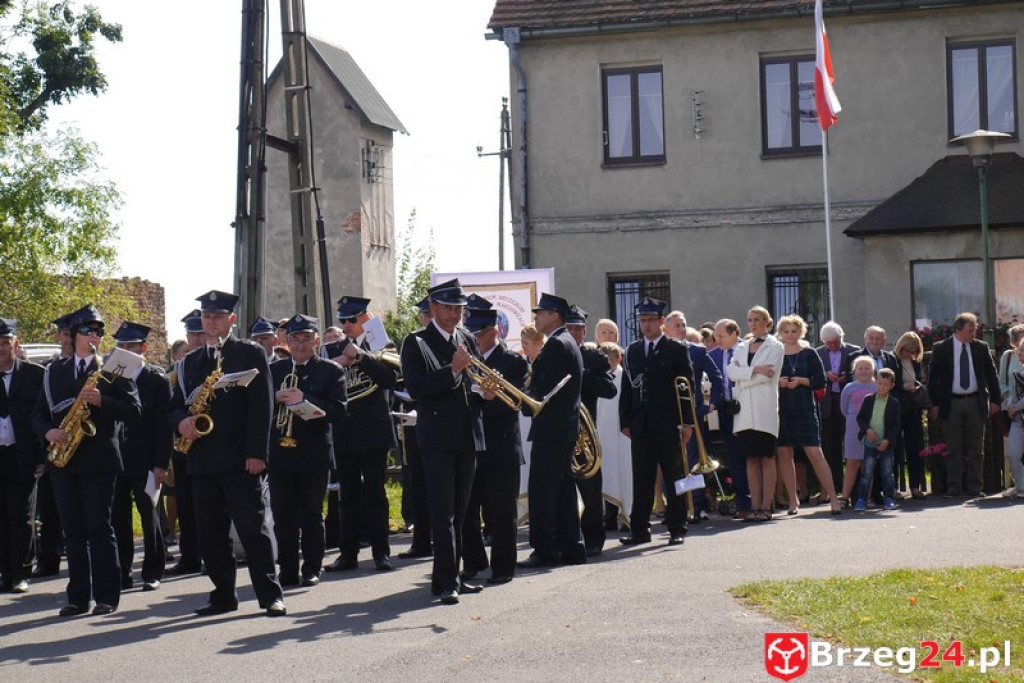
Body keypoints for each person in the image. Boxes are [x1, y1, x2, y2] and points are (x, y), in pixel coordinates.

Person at [169, 290, 285, 617]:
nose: (211, 322)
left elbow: (262, 406)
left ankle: (270, 595)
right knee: (211, 534)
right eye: (207, 317)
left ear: (231, 319)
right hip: (202, 459)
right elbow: (173, 406)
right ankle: (222, 595)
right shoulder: (189, 362)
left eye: (218, 317)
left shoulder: (249, 353)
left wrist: (257, 453)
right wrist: (181, 422)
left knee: (253, 530)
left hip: (240, 459)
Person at [33, 304, 142, 616]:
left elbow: (134, 410)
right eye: (87, 331)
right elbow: (38, 414)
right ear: (73, 335)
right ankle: (77, 597)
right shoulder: (54, 371)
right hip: (64, 460)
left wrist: (102, 400)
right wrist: (48, 431)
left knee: (99, 527)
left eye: (98, 331)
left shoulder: (113, 368)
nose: (94, 336)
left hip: (100, 461)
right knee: (73, 531)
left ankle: (107, 596)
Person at [401, 279, 487, 604]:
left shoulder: (467, 338)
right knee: (443, 513)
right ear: (434, 308)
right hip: (437, 437)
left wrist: (485, 393)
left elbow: (474, 384)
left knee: (461, 513)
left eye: (459, 309)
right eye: (449, 308)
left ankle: (449, 579)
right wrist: (451, 371)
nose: (455, 315)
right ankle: (448, 581)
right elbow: (415, 388)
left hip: (467, 434)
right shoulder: (417, 342)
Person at [268, 314, 346, 588]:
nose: (300, 344)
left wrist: (305, 399)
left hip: (314, 452)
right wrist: (274, 399)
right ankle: (287, 569)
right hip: (280, 451)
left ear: (316, 340)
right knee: (283, 515)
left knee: (311, 513)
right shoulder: (274, 371)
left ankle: (312, 567)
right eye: (295, 339)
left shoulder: (331, 370)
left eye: (306, 339)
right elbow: (256, 409)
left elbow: (339, 411)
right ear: (286, 341)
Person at [323, 295, 398, 572]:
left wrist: (361, 357)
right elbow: (324, 380)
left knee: (375, 493)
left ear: (365, 318)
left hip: (374, 428)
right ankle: (348, 553)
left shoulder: (381, 345)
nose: (346, 325)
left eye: (351, 319)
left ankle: (381, 552)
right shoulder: (333, 347)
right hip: (345, 430)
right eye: (342, 320)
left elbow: (390, 379)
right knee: (348, 495)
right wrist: (340, 360)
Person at [518, 293, 586, 568]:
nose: (536, 317)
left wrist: (522, 397)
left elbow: (543, 388)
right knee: (563, 491)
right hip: (561, 428)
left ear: (554, 315)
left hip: (551, 428)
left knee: (542, 491)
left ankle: (545, 550)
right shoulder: (566, 341)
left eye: (540, 313)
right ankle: (572, 547)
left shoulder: (557, 344)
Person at [460, 305, 527, 585]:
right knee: (466, 510)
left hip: (501, 445)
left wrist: (487, 398)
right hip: (470, 444)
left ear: (494, 332)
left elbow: (516, 403)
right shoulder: (464, 361)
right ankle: (474, 562)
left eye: (478, 335)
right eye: (471, 335)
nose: (474, 340)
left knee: (501, 512)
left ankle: (503, 566)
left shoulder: (513, 362)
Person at [619, 297, 694, 545]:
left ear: (661, 321)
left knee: (674, 476)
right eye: (642, 320)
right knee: (641, 478)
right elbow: (627, 388)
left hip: (668, 423)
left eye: (650, 320)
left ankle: (677, 527)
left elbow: (686, 387)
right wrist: (624, 420)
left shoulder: (676, 349)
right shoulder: (632, 350)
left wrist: (687, 423)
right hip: (641, 424)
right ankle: (639, 529)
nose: (646, 325)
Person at [111, 322, 170, 592]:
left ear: (143, 348)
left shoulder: (156, 379)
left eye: (131, 346)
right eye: (121, 346)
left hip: (146, 459)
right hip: (116, 459)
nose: (125, 351)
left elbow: (163, 426)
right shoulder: (111, 377)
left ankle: (152, 571)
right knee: (118, 517)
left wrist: (161, 464)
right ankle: (123, 571)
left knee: (150, 516)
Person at [926, 312, 1001, 498]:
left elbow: (992, 375)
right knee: (953, 448)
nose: (974, 333)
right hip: (951, 402)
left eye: (975, 329)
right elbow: (933, 378)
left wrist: (995, 401)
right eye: (970, 330)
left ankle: (975, 487)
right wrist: (933, 404)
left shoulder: (981, 347)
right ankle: (954, 488)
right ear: (958, 330)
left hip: (975, 401)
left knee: (976, 447)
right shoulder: (941, 348)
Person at [775, 315, 841, 515]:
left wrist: (801, 381)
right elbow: (767, 379)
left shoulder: (809, 353)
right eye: (786, 331)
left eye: (794, 331)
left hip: (804, 409)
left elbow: (821, 381)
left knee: (815, 453)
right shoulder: (775, 353)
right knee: (784, 453)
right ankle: (792, 501)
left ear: (801, 332)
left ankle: (834, 498)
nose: (790, 335)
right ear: (781, 333)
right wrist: (778, 382)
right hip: (782, 409)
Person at [727, 306, 785, 523]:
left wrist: (745, 375)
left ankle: (766, 506)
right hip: (744, 410)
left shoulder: (775, 346)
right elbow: (731, 372)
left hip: (763, 408)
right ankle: (754, 505)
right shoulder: (741, 346)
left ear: (767, 322)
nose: (752, 324)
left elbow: (768, 375)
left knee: (766, 457)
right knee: (751, 458)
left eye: (757, 319)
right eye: (750, 320)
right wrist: (755, 370)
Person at [565, 305, 616, 555]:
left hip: (585, 434)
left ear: (585, 332)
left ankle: (594, 538)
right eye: (570, 329)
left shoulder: (594, 357)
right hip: (560, 430)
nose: (575, 333)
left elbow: (609, 389)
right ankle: (567, 538)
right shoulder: (554, 353)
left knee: (591, 489)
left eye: (579, 329)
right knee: (562, 490)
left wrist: (581, 374)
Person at [0, 319, 45, 594]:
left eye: (5, 342)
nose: (1, 348)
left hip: (23, 454)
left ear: (15, 344)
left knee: (21, 516)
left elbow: (43, 416)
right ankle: (4, 571)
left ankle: (20, 572)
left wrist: (42, 455)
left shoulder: (34, 374)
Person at [31, 314, 73, 580]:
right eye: (65, 334)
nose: (69, 340)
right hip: (52, 448)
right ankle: (49, 558)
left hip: (84, 449)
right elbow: (39, 412)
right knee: (48, 507)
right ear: (59, 336)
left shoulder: (94, 368)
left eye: (72, 334)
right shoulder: (47, 370)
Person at [165, 310, 204, 576]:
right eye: (193, 334)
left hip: (211, 444)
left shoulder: (219, 361)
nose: (197, 338)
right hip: (184, 443)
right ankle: (189, 557)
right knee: (187, 504)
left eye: (200, 333)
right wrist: (180, 422)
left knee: (211, 506)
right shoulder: (179, 368)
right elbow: (171, 405)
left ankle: (213, 556)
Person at [397, 295, 434, 559]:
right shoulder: (414, 341)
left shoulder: (457, 340)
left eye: (431, 314)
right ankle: (421, 539)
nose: (428, 319)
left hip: (440, 421)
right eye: (425, 315)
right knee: (418, 483)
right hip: (414, 421)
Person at [710, 319, 751, 519]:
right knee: (734, 458)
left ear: (734, 334)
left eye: (721, 336)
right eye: (715, 336)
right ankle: (743, 503)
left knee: (752, 456)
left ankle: (760, 502)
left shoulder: (748, 349)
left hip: (748, 408)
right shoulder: (713, 355)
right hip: (726, 410)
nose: (717, 340)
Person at [814, 321, 859, 495]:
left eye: (835, 342)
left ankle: (853, 487)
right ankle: (835, 486)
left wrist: (846, 377)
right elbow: (813, 376)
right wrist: (825, 375)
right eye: (829, 343)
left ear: (841, 337)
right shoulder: (818, 353)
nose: (832, 345)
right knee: (830, 446)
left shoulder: (854, 351)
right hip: (827, 403)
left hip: (848, 402)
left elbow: (861, 374)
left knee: (851, 444)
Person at [854, 368, 902, 511]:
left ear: (892, 386)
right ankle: (862, 499)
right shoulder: (868, 399)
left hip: (886, 444)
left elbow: (896, 425)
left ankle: (889, 499)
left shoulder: (894, 403)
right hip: (870, 443)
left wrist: (888, 440)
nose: (882, 387)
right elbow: (860, 418)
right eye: (879, 383)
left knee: (887, 472)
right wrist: (867, 430)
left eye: (885, 385)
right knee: (867, 472)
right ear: (875, 383)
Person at [596, 341, 632, 530]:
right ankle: (608, 516)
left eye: (610, 359)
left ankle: (627, 515)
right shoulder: (598, 379)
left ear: (619, 359)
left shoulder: (624, 378)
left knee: (623, 474)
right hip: (602, 435)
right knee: (606, 474)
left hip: (620, 435)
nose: (607, 363)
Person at [893, 331, 929, 499]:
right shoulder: (893, 360)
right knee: (895, 449)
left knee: (915, 448)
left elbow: (919, 380)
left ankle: (915, 486)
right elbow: (890, 383)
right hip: (898, 408)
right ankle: (894, 487)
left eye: (913, 351)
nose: (909, 354)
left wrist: (915, 386)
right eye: (907, 350)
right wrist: (902, 387)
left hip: (913, 408)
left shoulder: (915, 363)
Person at [839, 357, 877, 504]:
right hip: (853, 427)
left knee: (868, 464)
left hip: (872, 428)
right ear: (855, 370)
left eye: (867, 368)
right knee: (851, 463)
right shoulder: (849, 387)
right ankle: (844, 497)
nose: (863, 371)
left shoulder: (876, 387)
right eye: (860, 368)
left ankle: (865, 498)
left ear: (873, 370)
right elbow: (843, 408)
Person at [1002, 341, 1024, 498]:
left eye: (1022, 350)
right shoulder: (1019, 372)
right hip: (1018, 419)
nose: (1019, 353)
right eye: (1019, 350)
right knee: (1013, 454)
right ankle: (1021, 486)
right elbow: (1013, 391)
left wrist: (1015, 407)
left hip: (1019, 413)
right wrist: (1010, 404)